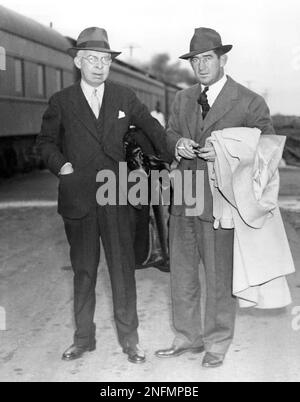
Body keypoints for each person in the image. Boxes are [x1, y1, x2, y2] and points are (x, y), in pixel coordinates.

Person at [37, 27, 170, 364]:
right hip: (78, 198)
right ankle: (83, 339)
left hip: (117, 196)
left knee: (122, 271)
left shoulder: (124, 97)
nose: (99, 66)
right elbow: (45, 142)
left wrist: (173, 151)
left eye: (105, 60)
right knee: (83, 272)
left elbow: (152, 128)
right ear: (79, 62)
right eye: (92, 59)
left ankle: (130, 341)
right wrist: (62, 166)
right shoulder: (61, 102)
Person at [155, 27, 275, 368]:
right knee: (181, 272)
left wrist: (225, 152)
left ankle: (217, 342)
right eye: (195, 60)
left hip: (223, 201)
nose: (201, 66)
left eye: (207, 58)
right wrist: (176, 143)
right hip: (185, 197)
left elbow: (266, 147)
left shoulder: (250, 101)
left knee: (220, 276)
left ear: (223, 59)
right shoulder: (182, 98)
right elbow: (170, 132)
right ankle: (186, 337)